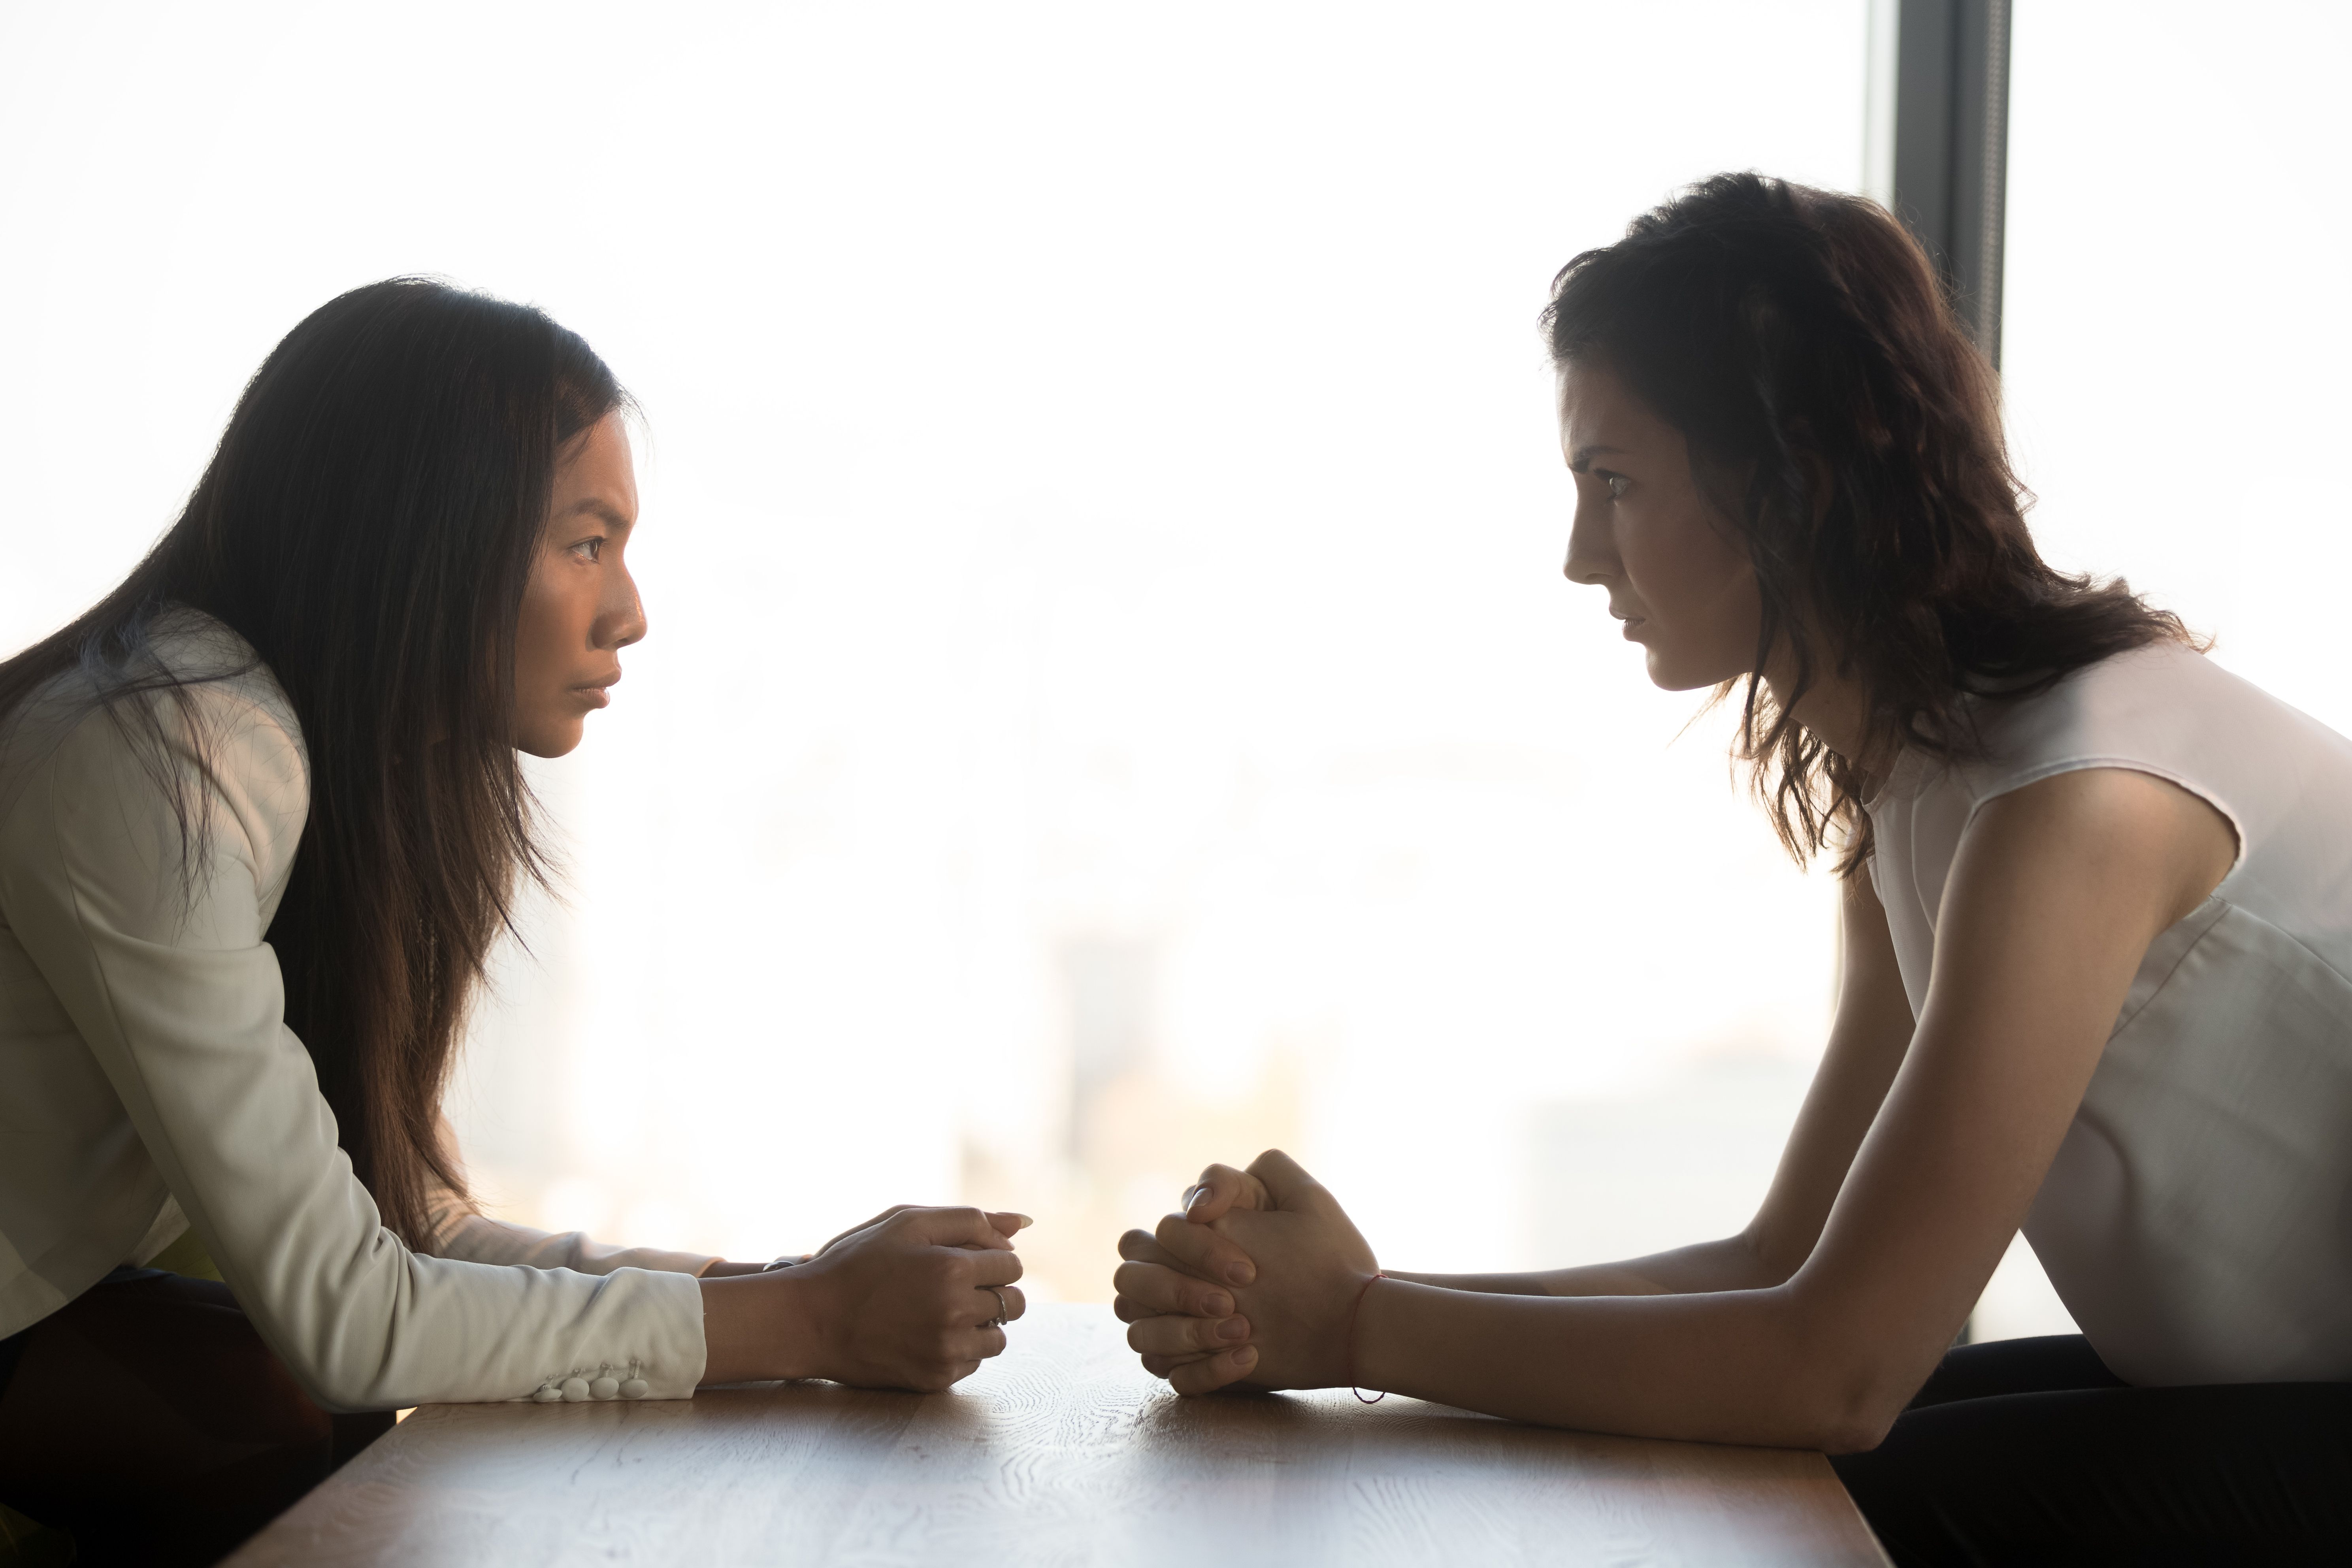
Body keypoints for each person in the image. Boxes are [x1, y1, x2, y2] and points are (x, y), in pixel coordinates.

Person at [1110, 174, 2352, 1563]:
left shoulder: (2083, 803)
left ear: (1788, 483)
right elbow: (1783, 1268)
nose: (1584, 556)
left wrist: (1349, 1326)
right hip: (2270, 1408)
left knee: (1825, 1499)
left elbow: (1840, 1368)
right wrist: (1311, 1302)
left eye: (1617, 483)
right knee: (1745, 1480)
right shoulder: (1933, 783)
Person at [0, 280, 1028, 1566]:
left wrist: (774, 1287)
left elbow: (407, 1221)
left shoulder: (337, 769)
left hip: (66, 1311)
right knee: (276, 1418)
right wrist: (809, 1325)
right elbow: (352, 1321)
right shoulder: (168, 755)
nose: (629, 611)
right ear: (425, 538)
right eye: (587, 544)